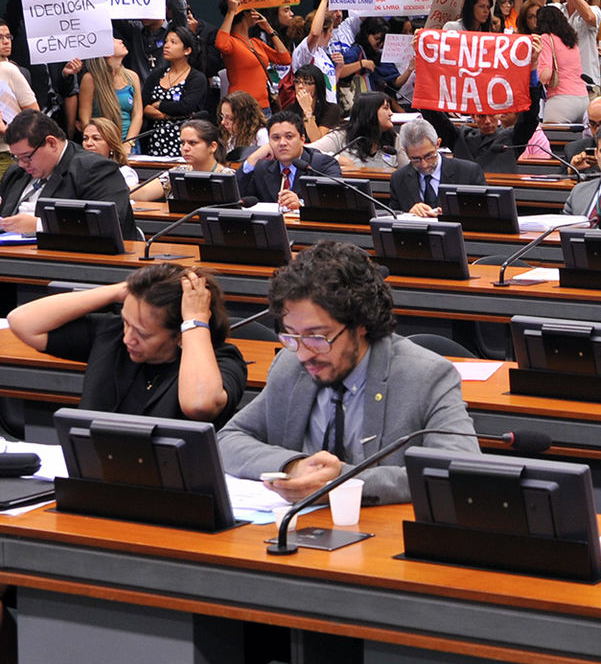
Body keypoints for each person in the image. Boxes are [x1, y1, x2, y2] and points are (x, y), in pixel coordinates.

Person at [218, 241, 477, 505]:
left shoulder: (427, 376)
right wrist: (293, 465)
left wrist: (341, 482)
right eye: (291, 335)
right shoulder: (290, 366)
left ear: (360, 324)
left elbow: (457, 470)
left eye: (317, 337)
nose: (304, 353)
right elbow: (228, 439)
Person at [8, 265, 246, 424]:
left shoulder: (223, 360)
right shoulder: (112, 335)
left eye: (143, 333)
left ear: (181, 334)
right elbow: (22, 322)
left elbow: (199, 404)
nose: (127, 338)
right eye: (126, 323)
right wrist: (125, 290)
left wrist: (194, 319)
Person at [0, 111, 136, 237]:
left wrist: (39, 225)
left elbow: (106, 224)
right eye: (16, 157)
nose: (22, 164)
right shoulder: (16, 173)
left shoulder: (94, 169)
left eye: (27, 156)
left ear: (51, 143)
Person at [237, 109, 343, 208]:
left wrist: (302, 204)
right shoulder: (262, 167)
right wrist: (253, 158)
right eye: (276, 138)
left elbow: (336, 199)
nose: (282, 143)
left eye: (289, 137)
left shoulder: (322, 164)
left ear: (302, 139)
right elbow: (237, 198)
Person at [390, 118, 485, 216]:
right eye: (415, 159)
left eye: (429, 156)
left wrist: (450, 214)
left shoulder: (468, 173)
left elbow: (484, 212)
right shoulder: (398, 179)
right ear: (404, 151)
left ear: (438, 144)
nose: (424, 165)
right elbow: (394, 216)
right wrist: (408, 214)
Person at [140, 26, 206, 159]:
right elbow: (143, 106)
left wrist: (158, 104)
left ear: (187, 50)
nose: (166, 46)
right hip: (155, 140)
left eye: (173, 42)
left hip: (183, 142)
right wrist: (170, 116)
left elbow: (185, 107)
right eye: (166, 41)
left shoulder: (196, 78)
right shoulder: (156, 75)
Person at [132, 118, 229, 203]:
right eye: (182, 143)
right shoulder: (178, 172)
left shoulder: (227, 176)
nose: (185, 148)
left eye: (192, 143)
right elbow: (143, 192)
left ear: (212, 147)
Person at [80, 117, 138, 191]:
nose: (88, 143)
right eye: (85, 139)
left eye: (96, 138)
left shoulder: (125, 173)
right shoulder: (75, 171)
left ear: (111, 145)